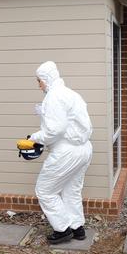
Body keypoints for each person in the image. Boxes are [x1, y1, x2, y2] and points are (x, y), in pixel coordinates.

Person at [30, 61, 93, 244]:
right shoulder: (70, 94)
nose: (38, 84)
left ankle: (62, 229)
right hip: (84, 149)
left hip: (67, 152)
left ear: (46, 79)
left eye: (39, 81)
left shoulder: (53, 97)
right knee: (71, 190)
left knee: (45, 191)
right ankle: (77, 228)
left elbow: (54, 130)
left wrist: (34, 137)